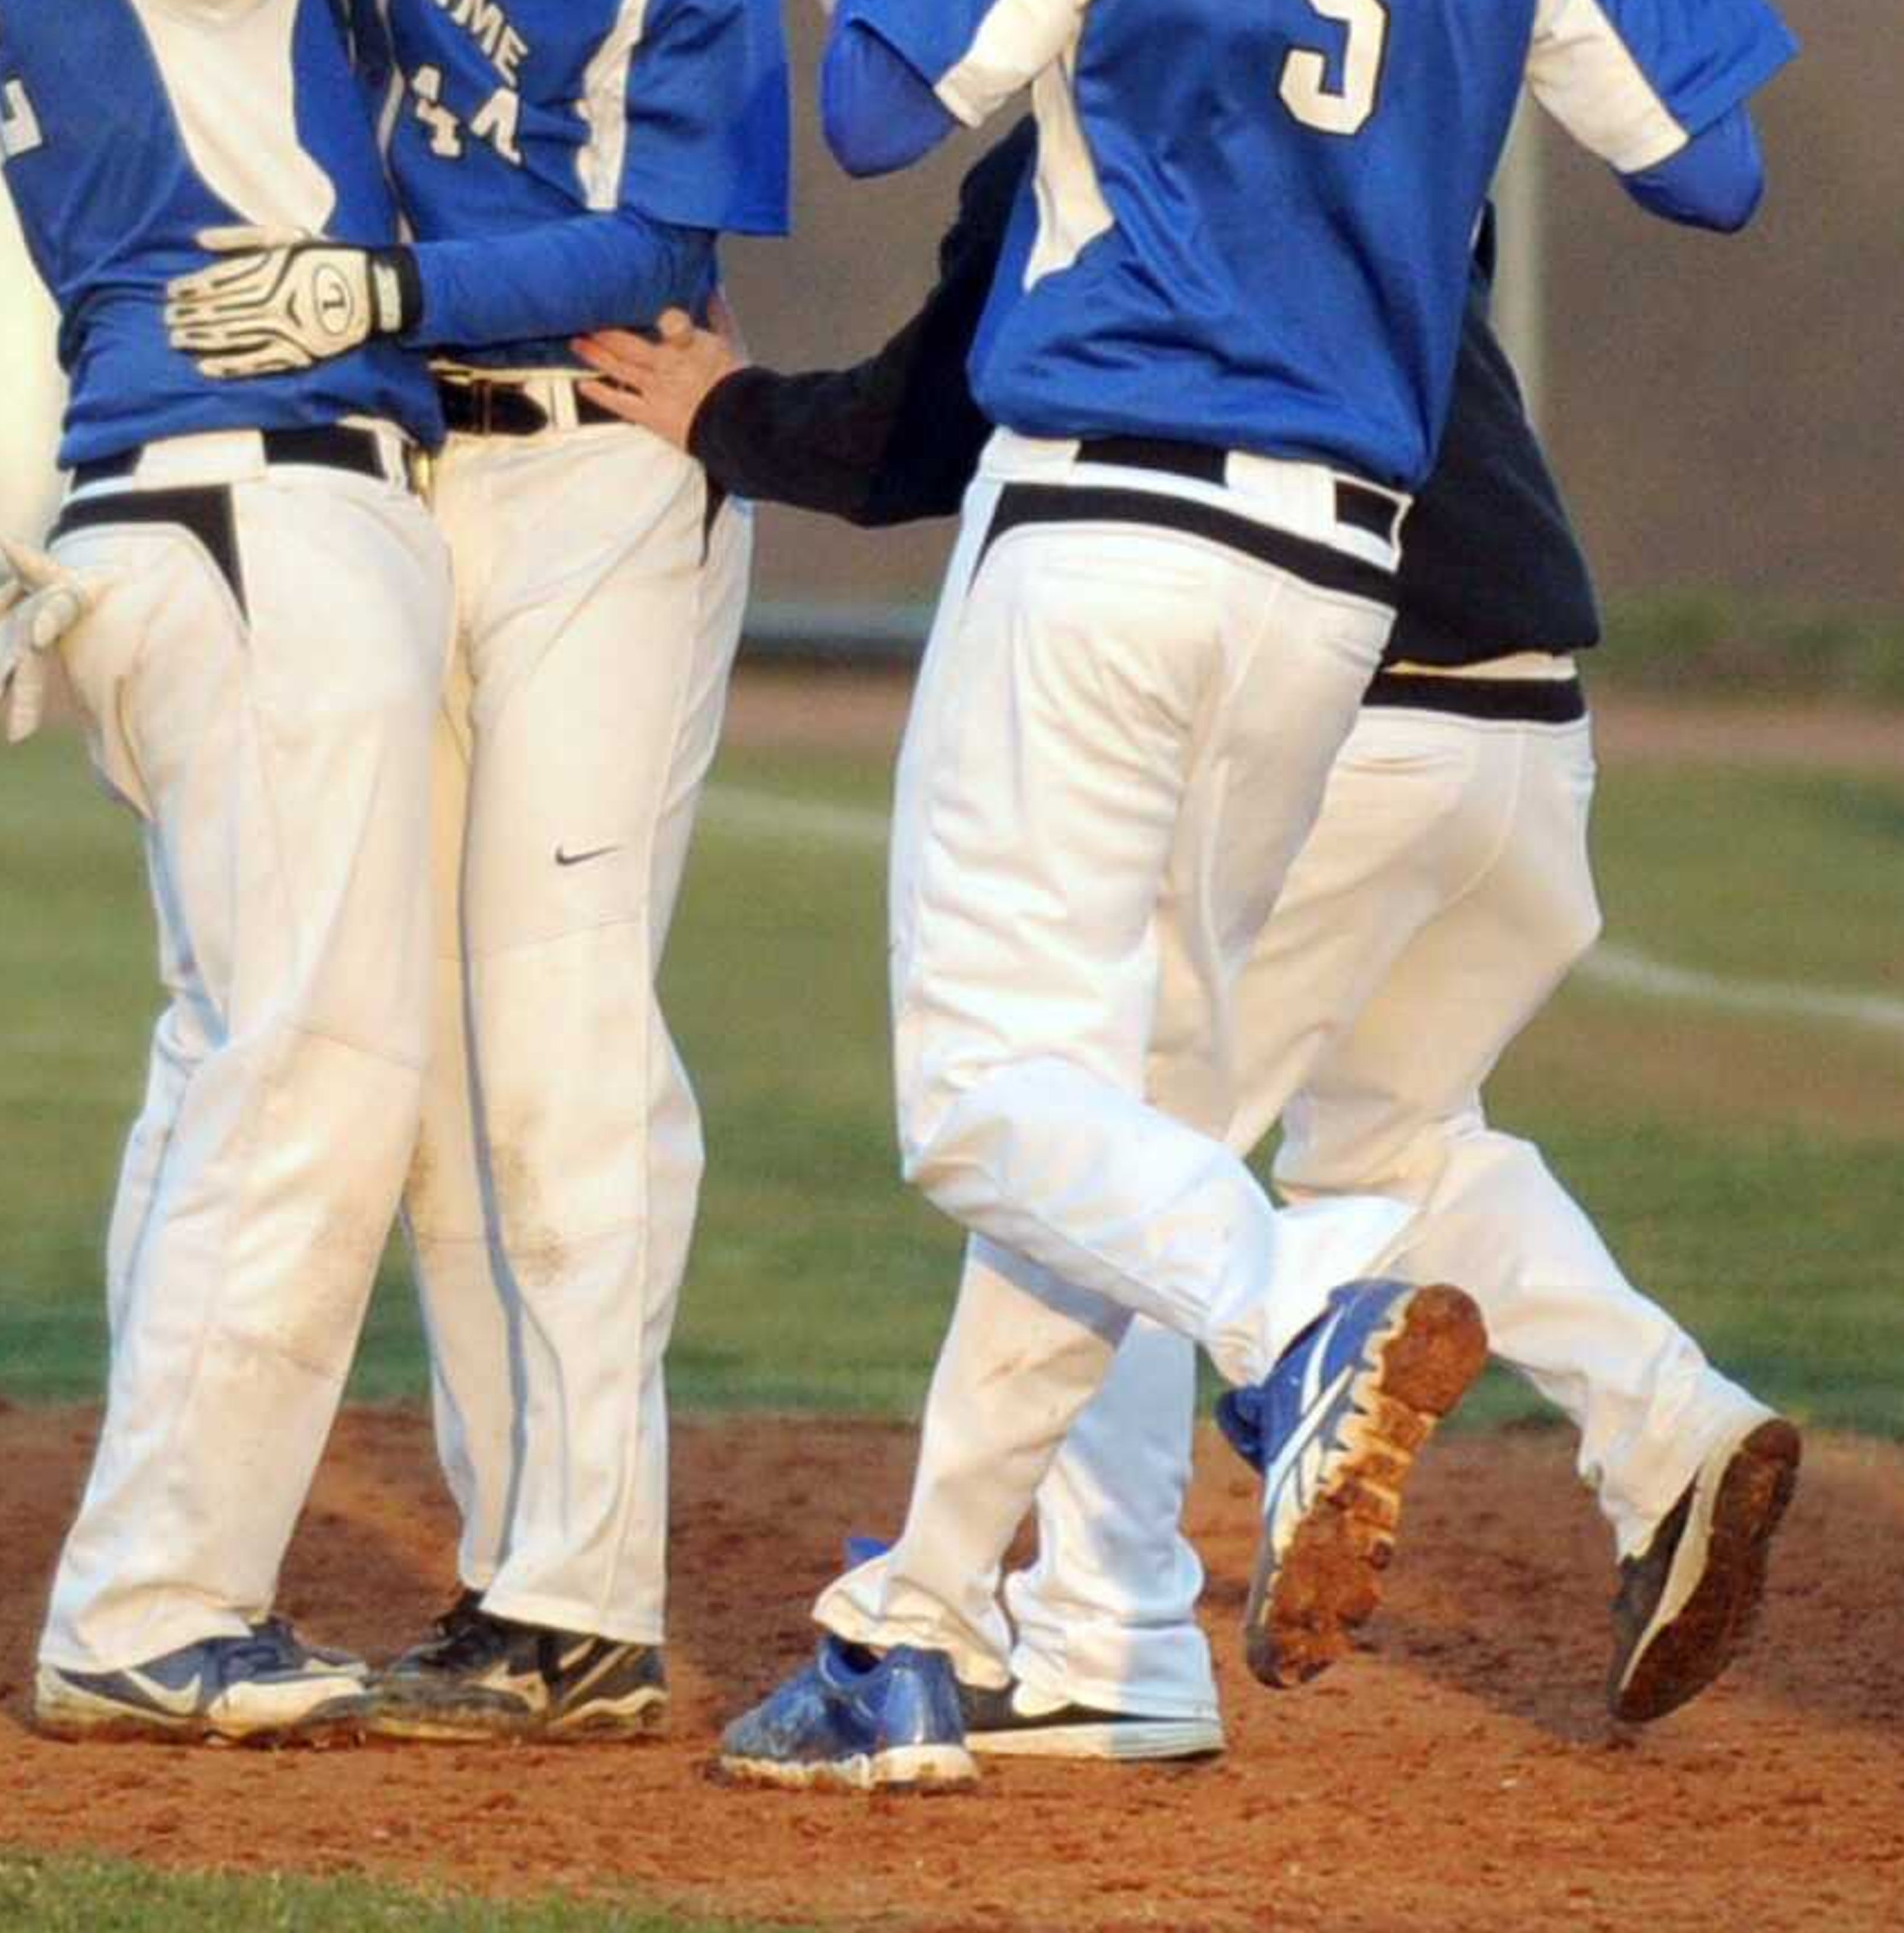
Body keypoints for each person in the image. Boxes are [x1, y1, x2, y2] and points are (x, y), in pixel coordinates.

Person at [679, 0, 1794, 1786]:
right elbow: (1710, 172)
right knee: (1126, 1122)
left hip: (1099, 527)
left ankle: (1306, 1328)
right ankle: (922, 1628)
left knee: (989, 1101)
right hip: (1331, 583)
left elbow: (879, 118)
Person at [577, 112, 1799, 1774]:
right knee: (1396, 1141)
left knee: (1113, 1161)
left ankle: (1058, 1627)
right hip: (1527, 727)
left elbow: (923, 430)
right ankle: (1672, 1427)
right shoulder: (1389, 131)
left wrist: (722, 413)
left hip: (1368, 722)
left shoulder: (1107, 133)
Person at [0, 0, 586, 1746]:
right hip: (263, 505)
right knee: (319, 1068)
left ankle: (147, 1568)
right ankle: (151, 1602)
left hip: (178, 516)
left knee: (229, 1059)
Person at [134, 0, 791, 1739]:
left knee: (561, 1033)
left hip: (599, 477)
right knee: (414, 1069)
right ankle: (523, 1567)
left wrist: (381, 283)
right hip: (398, 465)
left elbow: (659, 251)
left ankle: (592, 1581)